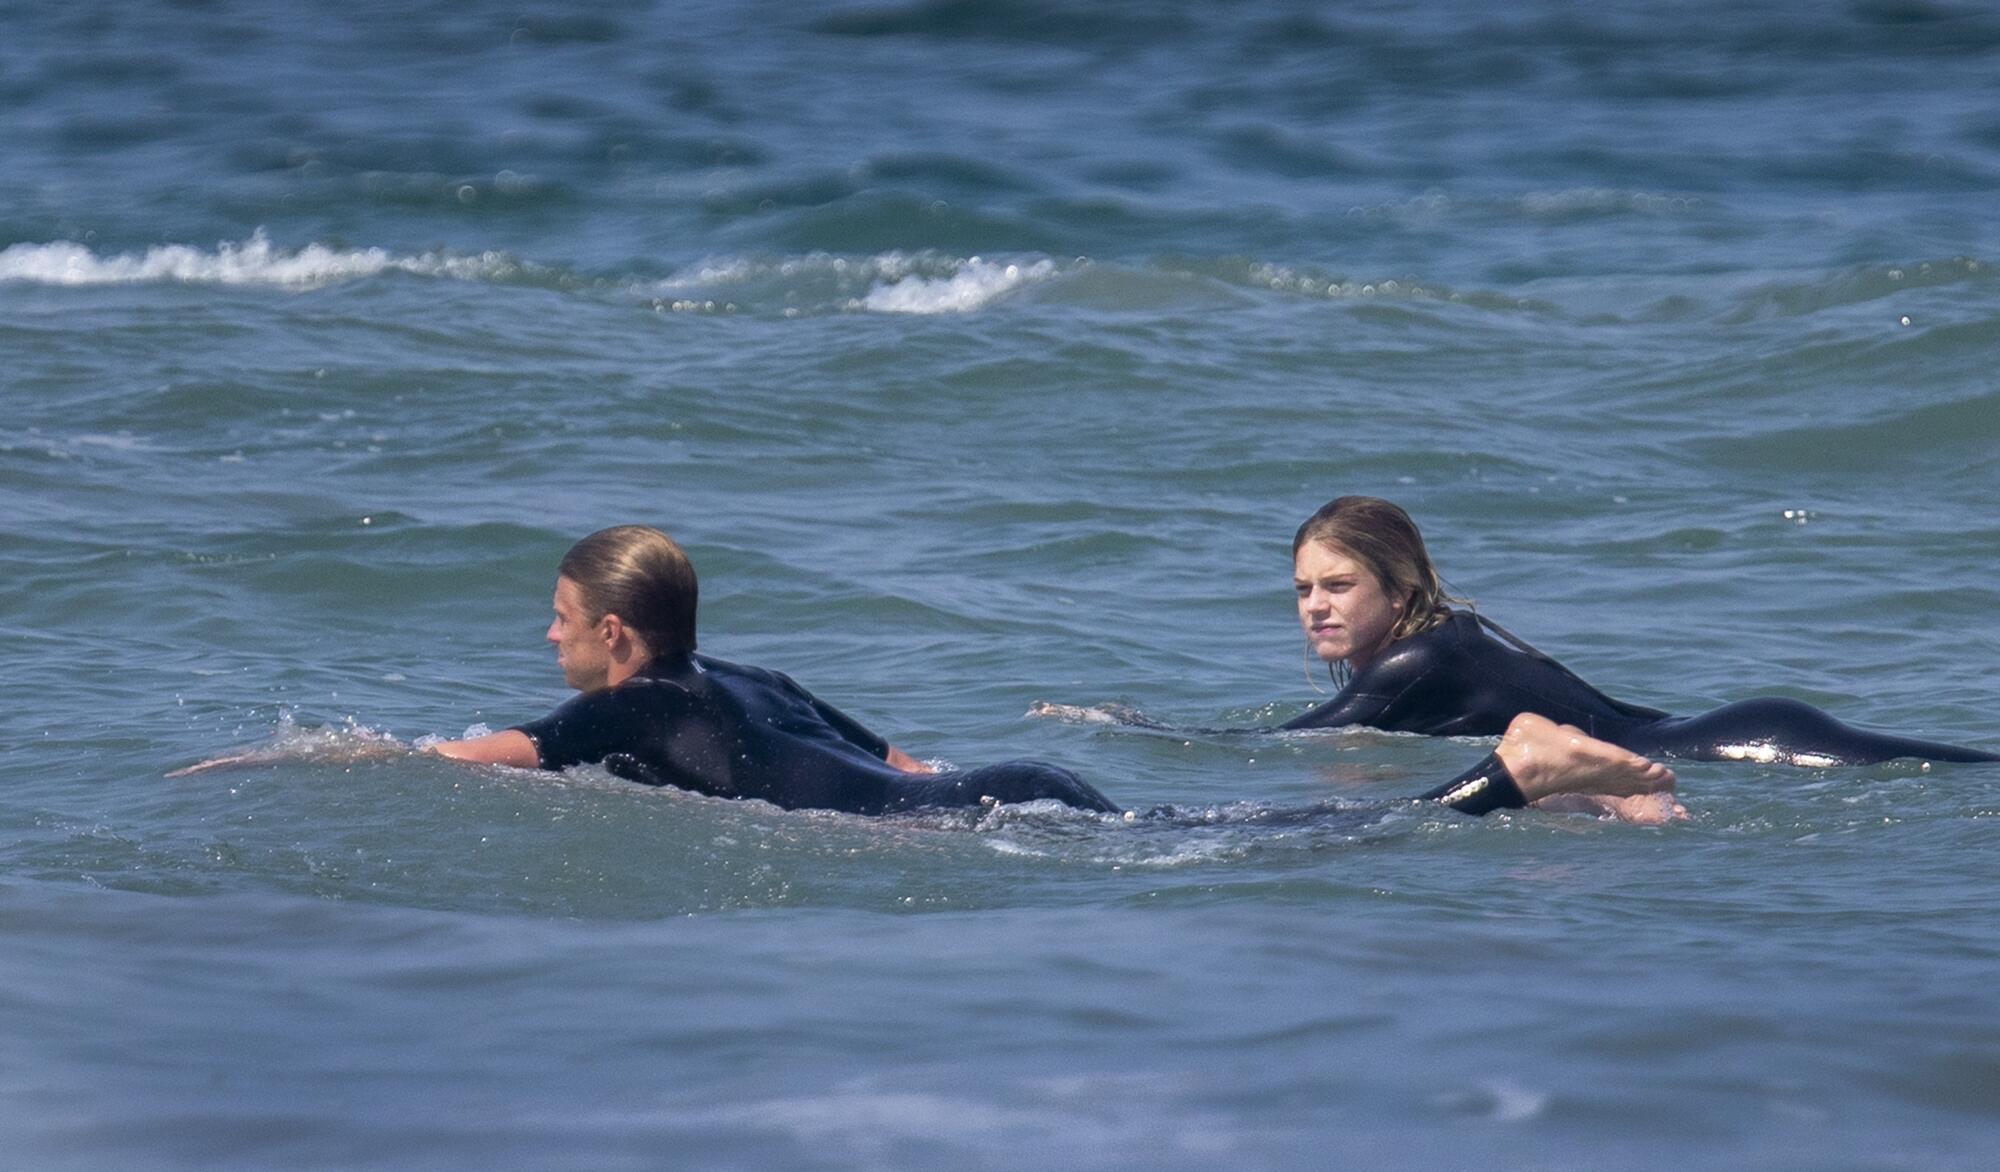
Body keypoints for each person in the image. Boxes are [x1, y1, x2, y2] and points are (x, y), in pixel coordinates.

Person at [180, 525, 1680, 822]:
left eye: (561, 622)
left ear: (615, 638)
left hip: (983, 823)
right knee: (1225, 843)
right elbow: (889, 758)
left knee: (1269, 844)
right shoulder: (750, 681)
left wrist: (290, 754)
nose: (550, 643)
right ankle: (1543, 793)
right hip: (995, 790)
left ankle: (1510, 775)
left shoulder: (628, 708)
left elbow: (446, 760)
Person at [1277, 496, 1997, 766]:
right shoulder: (1446, 646)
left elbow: (1282, 746)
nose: (1316, 606)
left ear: (1399, 589)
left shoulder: (1423, 659)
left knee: (1965, 779)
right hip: (1729, 735)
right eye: (1305, 588)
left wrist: (1160, 738)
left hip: (1735, 748)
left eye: (1339, 586)